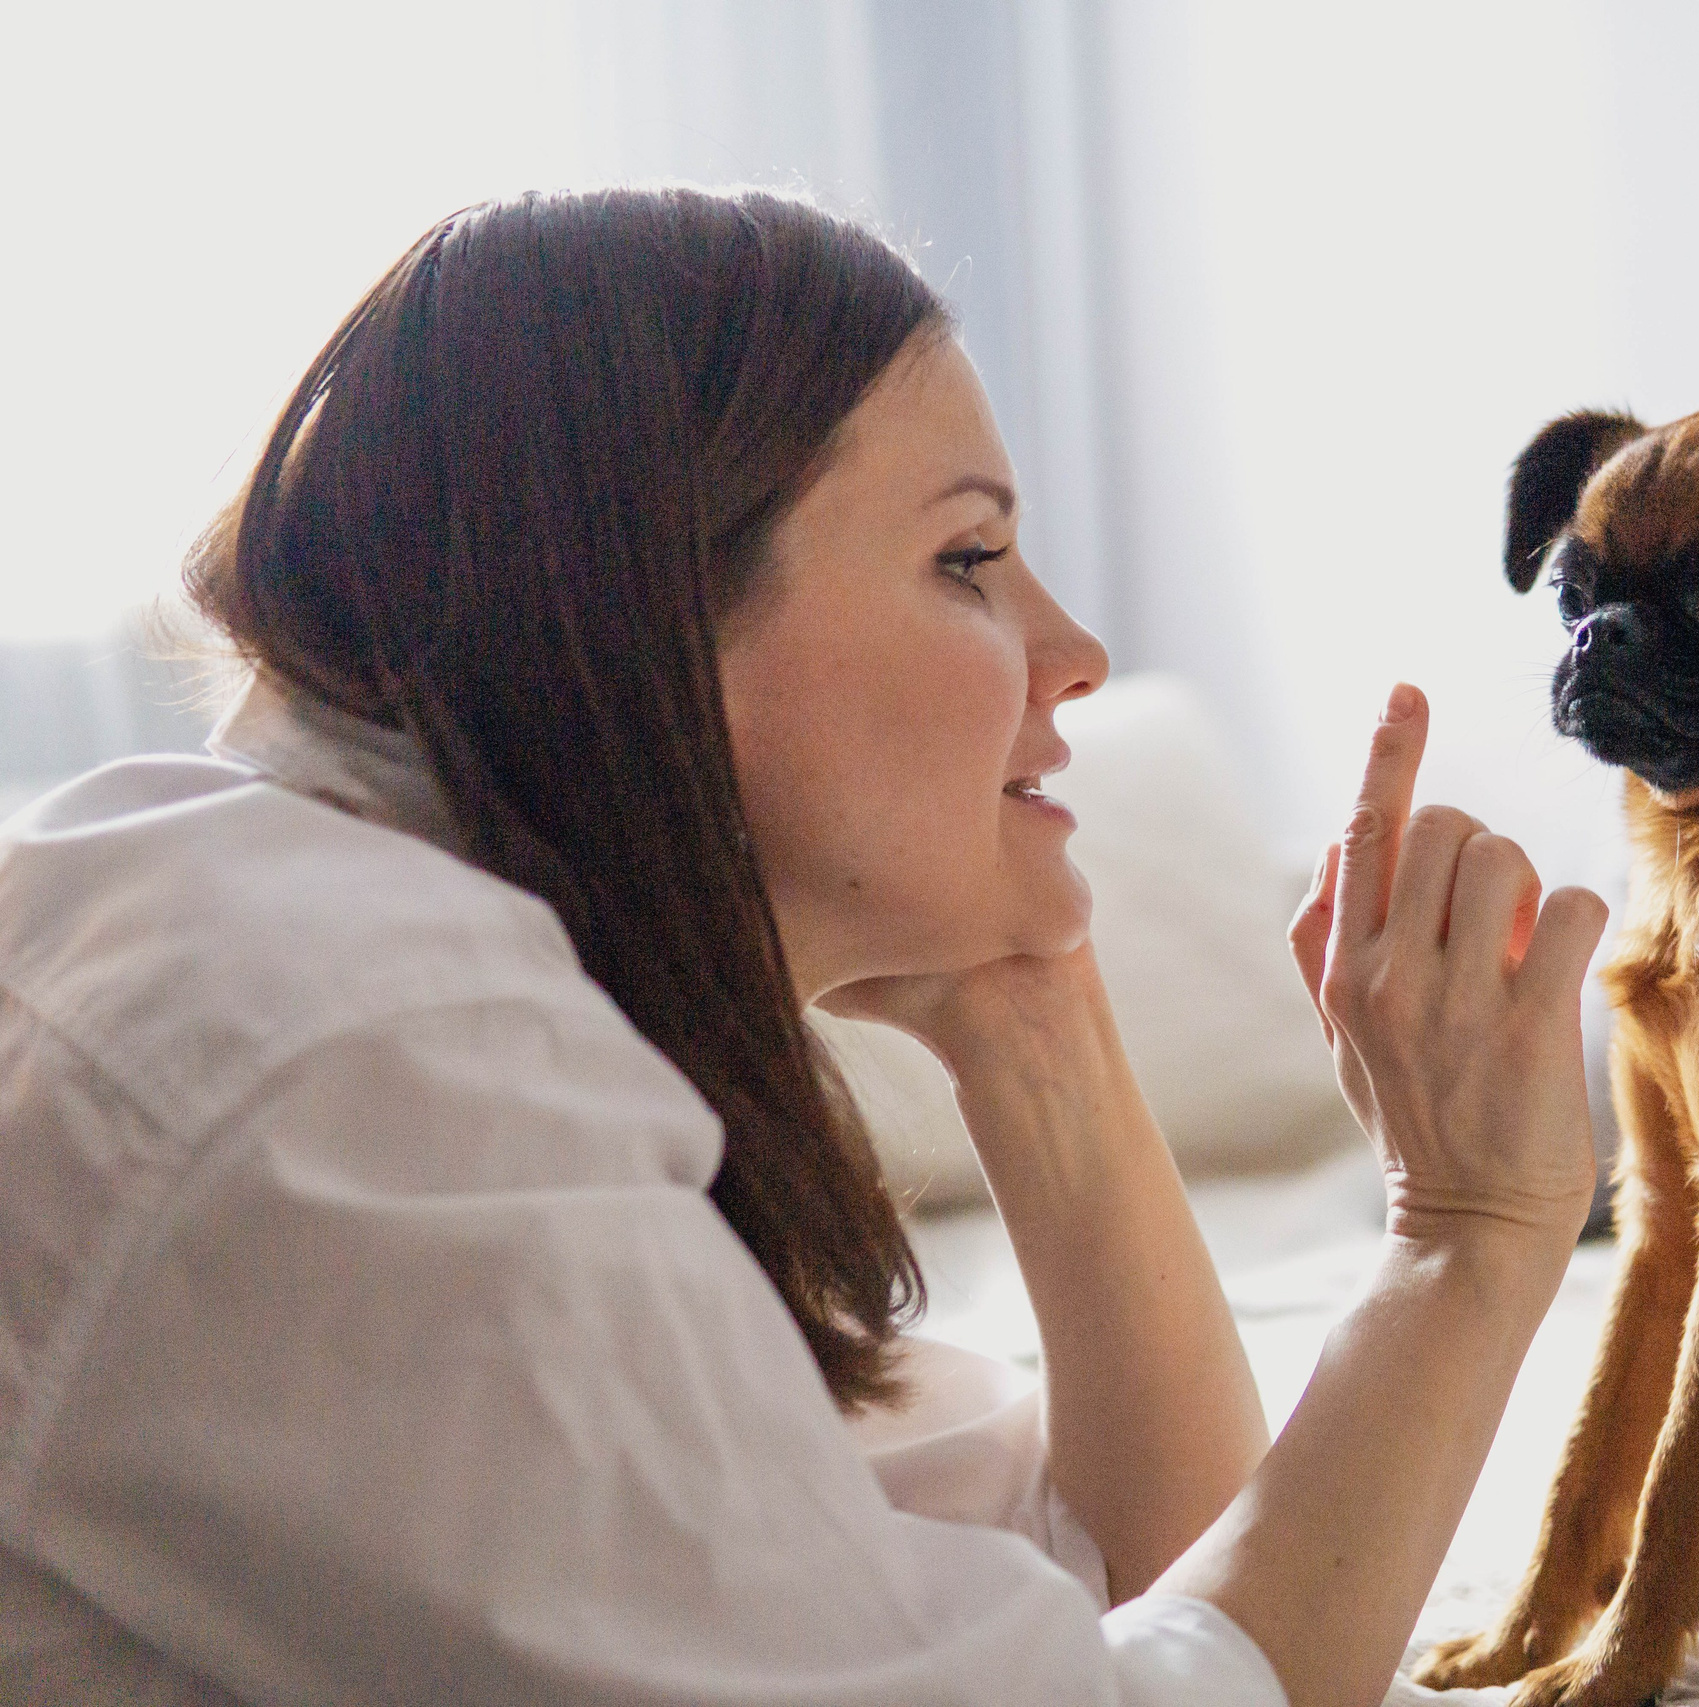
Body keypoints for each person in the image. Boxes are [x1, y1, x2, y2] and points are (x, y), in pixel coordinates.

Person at [0, 187, 1607, 1706]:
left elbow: (1137, 1579)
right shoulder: (369, 1062)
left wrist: (1033, 1030)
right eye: (968, 559)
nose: (1075, 653)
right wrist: (1466, 1239)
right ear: (639, 612)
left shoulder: (367, 967)